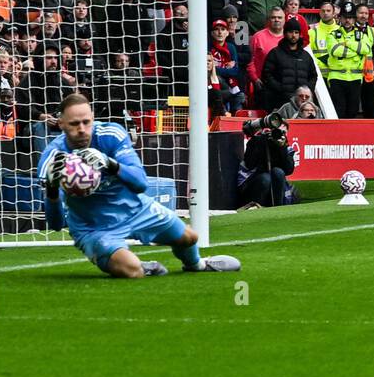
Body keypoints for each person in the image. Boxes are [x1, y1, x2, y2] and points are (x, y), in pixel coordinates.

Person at [38, 93, 240, 278]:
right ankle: (141, 266)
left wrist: (110, 164)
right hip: (94, 227)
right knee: (132, 270)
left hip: (136, 208)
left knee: (189, 237)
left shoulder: (111, 134)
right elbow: (55, 225)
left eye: (86, 122)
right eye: (74, 124)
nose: (82, 129)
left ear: (93, 118)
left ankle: (197, 265)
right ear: (61, 123)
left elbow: (140, 183)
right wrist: (53, 189)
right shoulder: (53, 159)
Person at [237, 116, 296, 208]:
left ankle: (277, 208)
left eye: (284, 132)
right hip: (252, 185)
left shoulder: (286, 148)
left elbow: (288, 170)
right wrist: (262, 141)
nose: (281, 134)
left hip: (274, 189)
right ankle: (255, 207)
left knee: (278, 172)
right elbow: (250, 164)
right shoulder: (257, 141)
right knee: (266, 178)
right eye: (278, 131)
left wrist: (281, 148)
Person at [260, 22, 318, 111]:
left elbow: (313, 76)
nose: (293, 35)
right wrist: (280, 88)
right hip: (279, 101)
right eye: (290, 32)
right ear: (285, 33)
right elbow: (266, 75)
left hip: (302, 103)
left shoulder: (306, 56)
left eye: (296, 32)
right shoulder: (275, 53)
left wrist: (306, 90)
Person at [326, 1, 369, 118]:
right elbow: (335, 51)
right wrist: (355, 52)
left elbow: (366, 49)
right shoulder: (332, 34)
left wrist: (347, 43)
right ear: (340, 18)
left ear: (354, 19)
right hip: (337, 78)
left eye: (350, 18)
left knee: (352, 112)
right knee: (338, 112)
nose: (348, 21)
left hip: (355, 79)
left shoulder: (362, 35)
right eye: (345, 17)